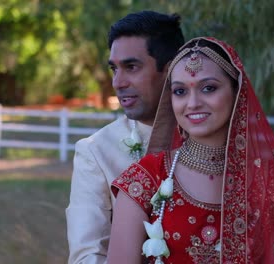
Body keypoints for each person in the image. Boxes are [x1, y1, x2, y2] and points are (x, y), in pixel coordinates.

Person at [108, 37, 274, 263]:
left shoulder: (267, 182)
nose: (192, 103)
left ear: (237, 92)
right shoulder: (145, 179)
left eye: (208, 88)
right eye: (180, 91)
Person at [65, 11, 184, 264]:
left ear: (171, 69)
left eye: (131, 67)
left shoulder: (210, 141)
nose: (118, 82)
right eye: (113, 69)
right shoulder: (96, 151)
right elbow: (87, 255)